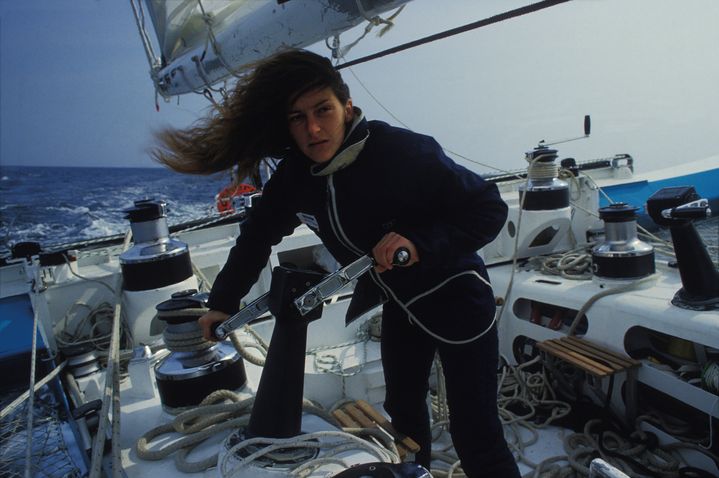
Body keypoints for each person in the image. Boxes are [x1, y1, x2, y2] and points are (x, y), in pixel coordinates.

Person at [152, 49, 520, 477]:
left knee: (475, 431)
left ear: (347, 108)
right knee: (402, 415)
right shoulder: (295, 176)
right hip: (401, 306)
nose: (312, 128)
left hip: (457, 299)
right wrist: (223, 301)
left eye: (323, 110)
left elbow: (487, 208)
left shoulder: (401, 153)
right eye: (297, 117)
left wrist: (419, 243)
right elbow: (257, 236)